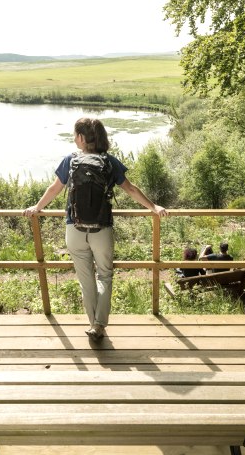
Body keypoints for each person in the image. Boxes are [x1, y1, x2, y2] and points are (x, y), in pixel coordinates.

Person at [23, 117, 167, 341]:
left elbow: (54, 189)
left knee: (86, 279)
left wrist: (37, 207)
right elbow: (130, 188)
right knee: (105, 275)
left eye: (75, 135)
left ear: (81, 138)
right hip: (102, 229)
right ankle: (99, 324)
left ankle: (93, 324)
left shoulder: (69, 161)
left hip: (75, 228)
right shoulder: (110, 162)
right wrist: (153, 206)